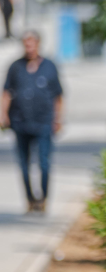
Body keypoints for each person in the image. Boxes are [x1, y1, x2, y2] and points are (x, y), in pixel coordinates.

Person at [0, 31, 63, 213]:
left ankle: (43, 198)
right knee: (23, 164)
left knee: (44, 163)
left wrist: (58, 118)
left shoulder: (50, 66)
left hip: (44, 122)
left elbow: (58, 95)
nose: (29, 47)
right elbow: (7, 92)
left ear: (38, 44)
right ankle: (30, 198)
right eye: (26, 44)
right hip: (20, 122)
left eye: (32, 44)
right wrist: (3, 114)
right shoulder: (15, 67)